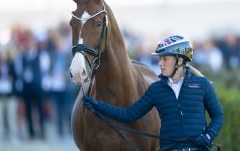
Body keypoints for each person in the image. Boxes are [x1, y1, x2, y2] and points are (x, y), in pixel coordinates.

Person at [83, 35, 224, 151]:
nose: (160, 63)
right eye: (160, 59)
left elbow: (218, 115)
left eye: (165, 59)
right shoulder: (156, 89)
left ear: (180, 60)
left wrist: (208, 136)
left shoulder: (202, 84)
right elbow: (129, 115)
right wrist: (97, 105)